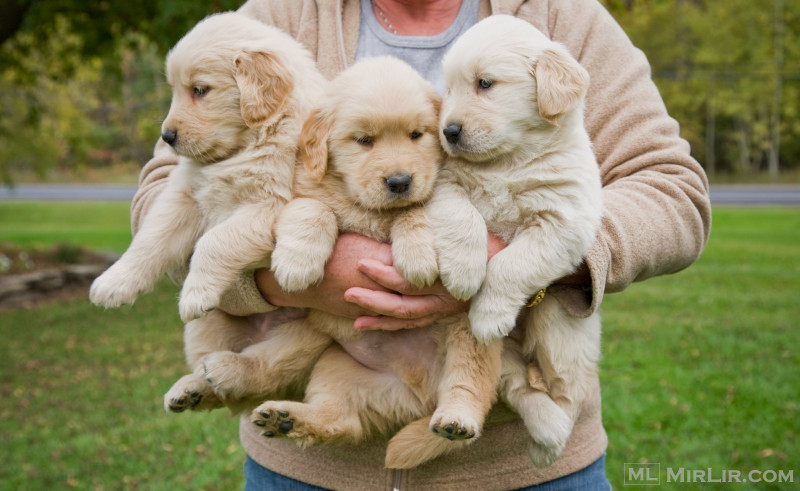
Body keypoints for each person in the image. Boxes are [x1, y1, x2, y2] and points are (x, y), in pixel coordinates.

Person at [132, 0, 712, 489]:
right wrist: (274, 277)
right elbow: (164, 190)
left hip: (524, 469)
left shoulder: (560, 15)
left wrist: (532, 259)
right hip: (310, 469)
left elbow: (671, 187)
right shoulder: (280, 14)